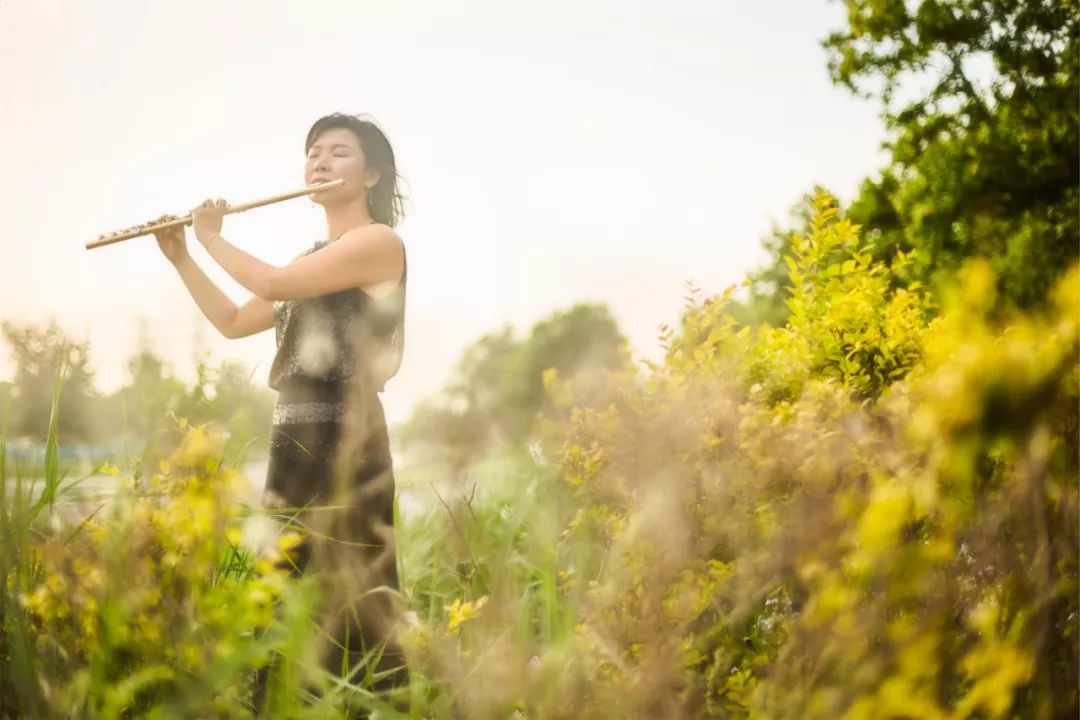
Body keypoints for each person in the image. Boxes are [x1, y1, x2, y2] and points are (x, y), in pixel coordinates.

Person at [152, 112, 410, 716]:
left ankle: (368, 707)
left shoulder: (376, 244)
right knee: (288, 589)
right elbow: (236, 321)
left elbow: (271, 279)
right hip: (292, 434)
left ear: (372, 173)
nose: (319, 162)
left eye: (338, 153)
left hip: (347, 437)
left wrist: (213, 237)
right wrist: (184, 257)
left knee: (353, 587)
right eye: (313, 152)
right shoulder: (310, 260)